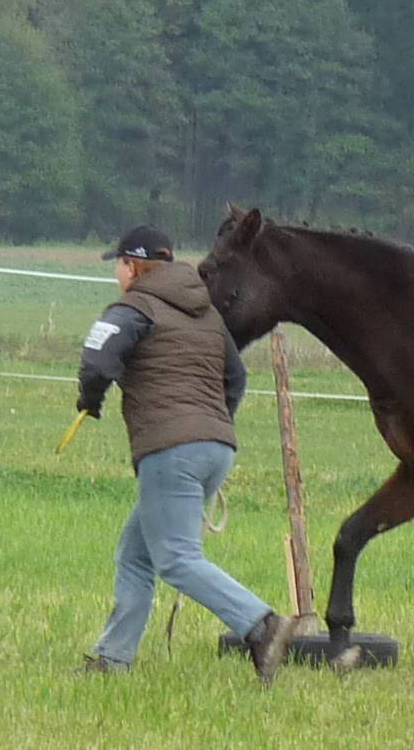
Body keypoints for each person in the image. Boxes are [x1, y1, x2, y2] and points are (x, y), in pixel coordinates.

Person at [74, 224, 296, 684]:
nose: (117, 273)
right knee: (137, 553)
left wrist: (90, 399)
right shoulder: (208, 315)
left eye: (118, 264)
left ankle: (262, 625)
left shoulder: (133, 307)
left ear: (132, 266)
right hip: (215, 447)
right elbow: (236, 380)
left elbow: (97, 359)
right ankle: (113, 659)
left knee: (176, 558)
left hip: (170, 449)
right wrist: (211, 429)